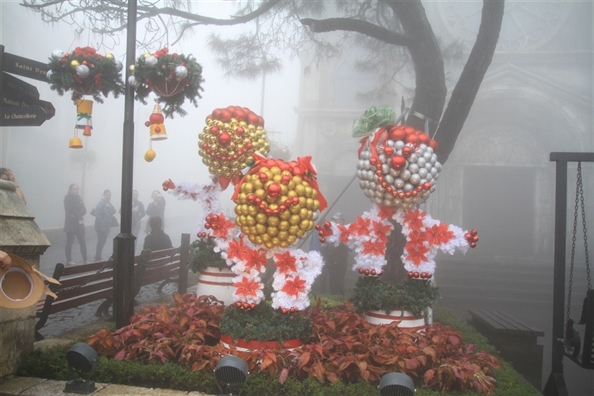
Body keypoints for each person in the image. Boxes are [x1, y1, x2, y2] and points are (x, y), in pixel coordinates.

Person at [317, 212, 350, 295]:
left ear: (342, 221)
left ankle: (341, 297)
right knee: (332, 279)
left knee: (339, 280)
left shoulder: (346, 231)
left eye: (336, 220)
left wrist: (341, 239)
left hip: (341, 261)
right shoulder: (330, 233)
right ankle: (332, 296)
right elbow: (325, 245)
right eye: (333, 220)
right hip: (331, 260)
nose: (334, 222)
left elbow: (348, 246)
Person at [63, 184, 88, 265]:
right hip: (71, 223)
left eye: (77, 189)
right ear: (70, 190)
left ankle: (85, 259)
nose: (76, 190)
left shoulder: (80, 198)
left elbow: (84, 210)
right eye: (74, 189)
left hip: (79, 223)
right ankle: (69, 260)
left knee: (82, 241)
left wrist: (78, 215)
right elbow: (71, 209)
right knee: (70, 242)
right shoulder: (67, 198)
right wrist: (78, 215)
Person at [92, 189, 116, 261]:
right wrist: (102, 227)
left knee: (103, 241)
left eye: (109, 195)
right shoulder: (101, 203)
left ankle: (99, 256)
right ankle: (98, 257)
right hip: (101, 227)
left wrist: (110, 207)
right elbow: (98, 215)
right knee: (101, 241)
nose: (108, 196)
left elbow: (114, 211)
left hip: (106, 226)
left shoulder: (109, 203)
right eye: (107, 195)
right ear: (103, 195)